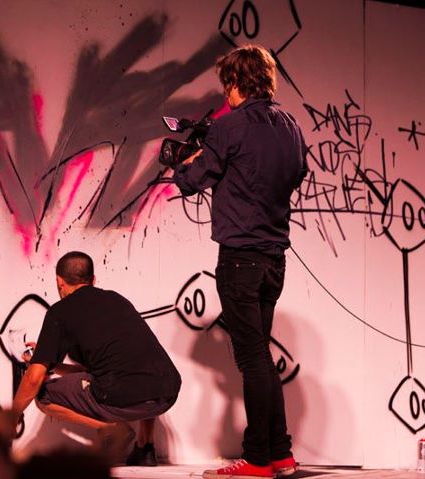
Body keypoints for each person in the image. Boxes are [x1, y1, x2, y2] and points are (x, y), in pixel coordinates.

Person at [173, 44, 308, 479]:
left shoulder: (228, 128)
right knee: (261, 356)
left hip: (239, 259)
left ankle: (258, 459)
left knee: (252, 360)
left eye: (225, 85)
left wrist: (184, 162)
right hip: (274, 260)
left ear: (234, 82)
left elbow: (192, 181)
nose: (225, 93)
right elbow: (296, 173)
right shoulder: (290, 126)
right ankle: (280, 453)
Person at [5, 251, 181, 466]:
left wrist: (13, 415)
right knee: (139, 366)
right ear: (93, 280)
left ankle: (111, 430)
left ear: (59, 281)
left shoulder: (60, 311)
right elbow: (97, 370)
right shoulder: (117, 300)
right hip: (167, 391)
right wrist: (50, 362)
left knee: (42, 394)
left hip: (121, 395)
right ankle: (145, 447)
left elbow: (33, 379)